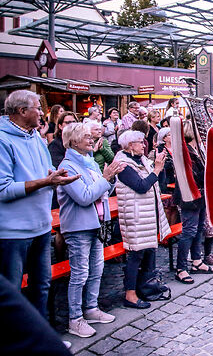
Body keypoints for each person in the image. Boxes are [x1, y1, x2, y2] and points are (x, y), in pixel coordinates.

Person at [0, 90, 79, 319]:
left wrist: (56, 176)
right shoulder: (3, 140)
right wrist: (47, 181)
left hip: (41, 227)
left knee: (41, 287)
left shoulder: (35, 135)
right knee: (11, 293)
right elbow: (3, 189)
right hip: (13, 233)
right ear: (22, 111)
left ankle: (41, 340)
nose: (43, 114)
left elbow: (43, 170)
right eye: (38, 107)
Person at [57, 123, 124, 337]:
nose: (91, 139)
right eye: (86, 136)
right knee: (79, 274)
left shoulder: (90, 163)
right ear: (73, 141)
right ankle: (75, 319)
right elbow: (85, 197)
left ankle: (91, 308)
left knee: (97, 270)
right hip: (78, 226)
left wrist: (110, 178)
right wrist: (105, 179)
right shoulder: (67, 166)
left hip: (97, 224)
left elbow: (102, 191)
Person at [114, 130, 171, 309]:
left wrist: (159, 167)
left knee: (149, 251)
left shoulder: (141, 159)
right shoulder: (123, 164)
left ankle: (146, 287)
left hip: (147, 214)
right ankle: (130, 294)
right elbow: (141, 186)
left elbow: (155, 182)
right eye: (140, 142)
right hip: (135, 215)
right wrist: (157, 169)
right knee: (135, 254)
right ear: (130, 145)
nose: (144, 144)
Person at [172, 121, 213, 285]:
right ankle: (181, 268)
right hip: (190, 196)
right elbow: (191, 175)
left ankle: (196, 260)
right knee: (189, 231)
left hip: (201, 195)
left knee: (198, 229)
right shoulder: (186, 151)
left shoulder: (197, 150)